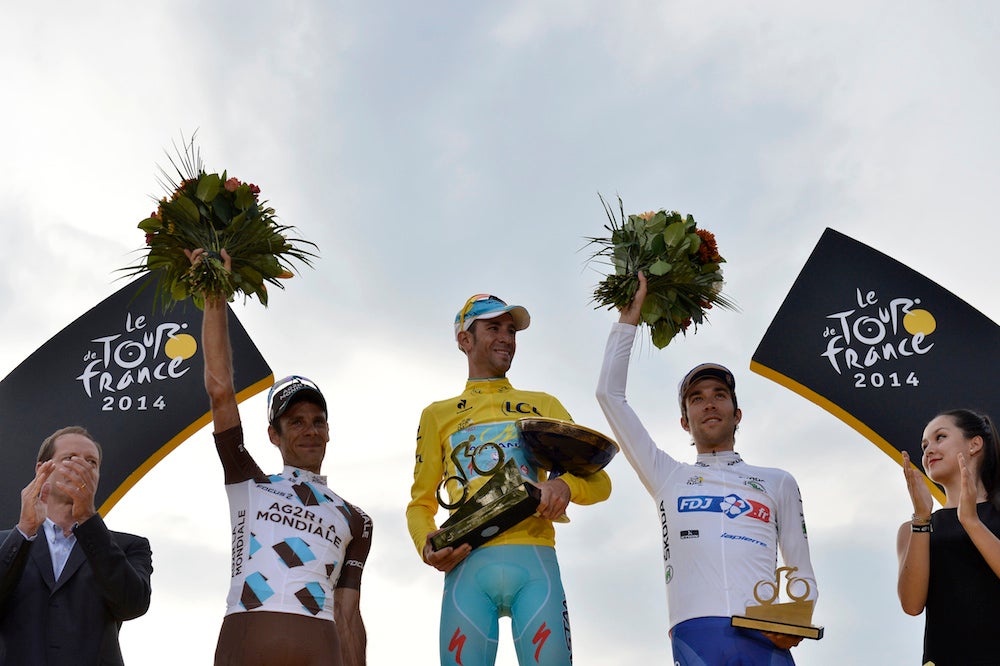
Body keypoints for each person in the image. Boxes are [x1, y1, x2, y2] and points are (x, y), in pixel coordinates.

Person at [595, 272, 817, 665]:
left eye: (719, 395)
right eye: (696, 398)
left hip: (765, 638)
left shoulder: (777, 481)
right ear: (685, 421)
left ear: (737, 413)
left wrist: (799, 619)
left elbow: (800, 568)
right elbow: (609, 396)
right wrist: (627, 320)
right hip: (696, 634)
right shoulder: (668, 476)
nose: (709, 403)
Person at [406, 293, 612, 666]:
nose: (507, 337)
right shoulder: (437, 415)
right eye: (494, 328)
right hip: (466, 569)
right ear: (464, 340)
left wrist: (564, 486)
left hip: (535, 566)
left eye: (511, 330)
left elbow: (600, 483)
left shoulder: (543, 404)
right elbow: (420, 505)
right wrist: (427, 544)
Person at [189, 248, 373, 666]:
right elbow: (220, 391)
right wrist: (215, 296)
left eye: (317, 420)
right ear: (273, 434)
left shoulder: (356, 519)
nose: (309, 429)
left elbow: (347, 614)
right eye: (295, 422)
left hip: (320, 647)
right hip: (246, 637)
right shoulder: (248, 482)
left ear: (328, 431)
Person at [0, 426, 153, 665]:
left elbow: (132, 605)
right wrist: (25, 530)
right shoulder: (7, 543)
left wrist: (88, 522)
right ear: (42, 469)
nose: (80, 467)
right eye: (69, 458)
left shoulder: (129, 546)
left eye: (91, 462)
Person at [897, 408, 1000, 665]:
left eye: (940, 437)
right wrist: (921, 517)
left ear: (975, 444)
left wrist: (970, 521)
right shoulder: (912, 529)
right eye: (924, 445)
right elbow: (911, 605)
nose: (929, 449)